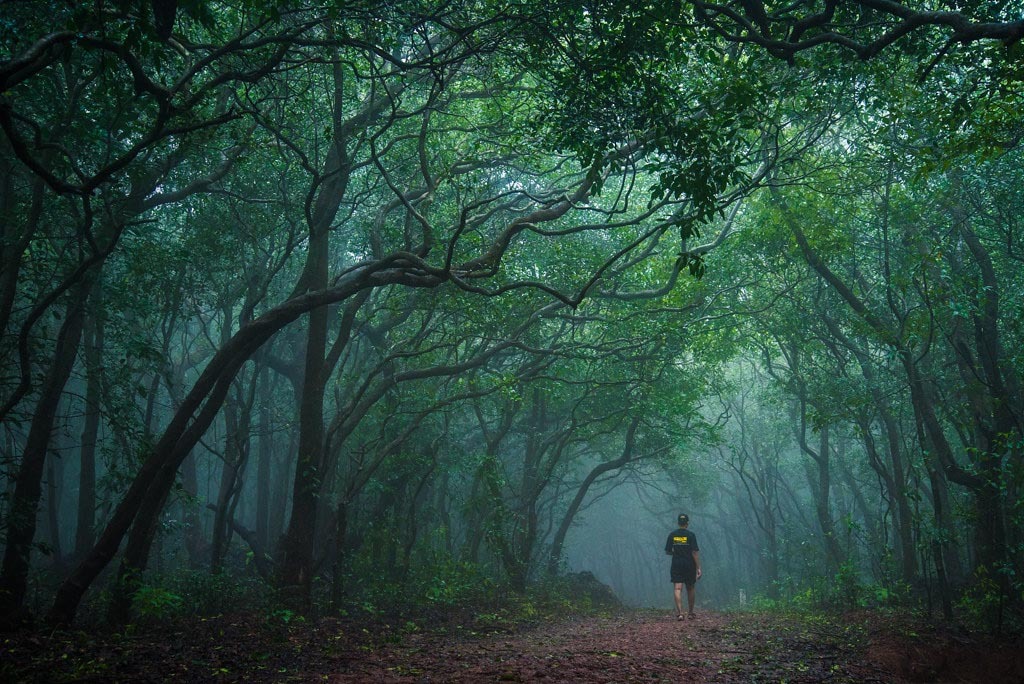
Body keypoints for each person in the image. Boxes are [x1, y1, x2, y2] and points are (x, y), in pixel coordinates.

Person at [665, 513, 701, 620]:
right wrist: (698, 567)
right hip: (689, 564)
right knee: (690, 587)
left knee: (677, 588)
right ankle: (690, 613)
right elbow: (694, 552)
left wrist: (676, 553)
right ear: (687, 523)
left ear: (678, 523)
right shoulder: (691, 535)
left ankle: (680, 613)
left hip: (677, 563)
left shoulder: (672, 535)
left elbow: (667, 551)